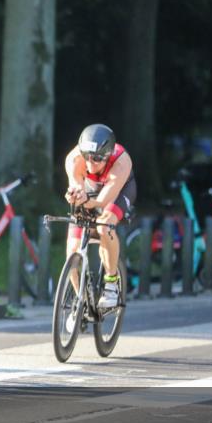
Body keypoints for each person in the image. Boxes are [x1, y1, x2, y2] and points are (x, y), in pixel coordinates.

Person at [63, 124, 136, 309]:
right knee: (72, 249)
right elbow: (77, 187)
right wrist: (75, 195)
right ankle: (80, 303)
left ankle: (111, 284)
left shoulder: (121, 162)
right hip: (91, 189)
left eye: (96, 159)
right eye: (86, 156)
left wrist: (89, 202)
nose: (90, 163)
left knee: (104, 225)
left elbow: (102, 201)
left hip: (118, 191)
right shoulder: (73, 159)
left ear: (108, 155)